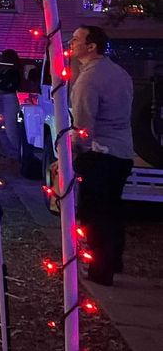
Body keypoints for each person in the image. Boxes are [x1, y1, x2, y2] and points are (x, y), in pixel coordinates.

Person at [68, 26, 134, 286]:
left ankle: (100, 270)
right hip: (122, 151)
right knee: (113, 210)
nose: (71, 43)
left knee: (95, 214)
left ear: (91, 46)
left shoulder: (89, 79)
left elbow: (84, 124)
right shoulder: (119, 73)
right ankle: (114, 260)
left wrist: (75, 151)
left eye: (76, 39)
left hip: (101, 153)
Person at [0, 49, 22, 158]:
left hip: (9, 98)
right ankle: (8, 151)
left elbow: (10, 85)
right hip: (1, 96)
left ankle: (17, 151)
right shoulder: (3, 70)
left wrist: (0, 84)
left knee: (10, 126)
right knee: (0, 126)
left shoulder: (14, 71)